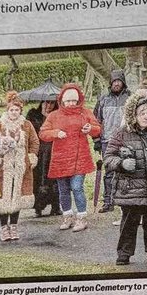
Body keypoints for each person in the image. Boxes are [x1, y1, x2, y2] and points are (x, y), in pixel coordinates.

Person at [103, 90, 147, 266]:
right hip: (130, 188)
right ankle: (124, 253)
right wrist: (121, 164)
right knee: (129, 222)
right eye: (142, 113)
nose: (146, 116)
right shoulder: (121, 133)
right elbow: (108, 157)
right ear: (133, 114)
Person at [39, 82, 100, 232]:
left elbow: (98, 130)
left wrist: (90, 129)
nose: (71, 103)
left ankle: (81, 218)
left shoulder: (85, 113)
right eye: (68, 101)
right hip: (61, 159)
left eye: (74, 100)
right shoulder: (54, 115)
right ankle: (67, 216)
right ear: (62, 101)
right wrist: (55, 133)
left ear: (79, 99)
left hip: (80, 157)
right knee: (63, 189)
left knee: (77, 187)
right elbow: (43, 133)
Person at [0, 91, 39, 242]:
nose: (14, 113)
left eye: (17, 110)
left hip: (21, 168)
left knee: (18, 196)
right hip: (3, 168)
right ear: (7, 111)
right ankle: (4, 228)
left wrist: (32, 156)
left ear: (20, 111)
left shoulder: (26, 125)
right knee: (2, 197)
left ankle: (14, 226)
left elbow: (34, 142)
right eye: (11, 110)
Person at [92, 69, 129, 215]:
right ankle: (108, 201)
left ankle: (124, 201)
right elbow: (96, 121)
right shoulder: (103, 100)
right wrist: (96, 139)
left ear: (123, 82)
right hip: (107, 140)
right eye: (114, 81)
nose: (117, 84)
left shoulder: (129, 98)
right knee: (109, 172)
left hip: (126, 140)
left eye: (119, 81)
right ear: (110, 83)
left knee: (126, 171)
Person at [26, 97, 60, 217]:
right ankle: (38, 207)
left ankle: (56, 206)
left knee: (54, 179)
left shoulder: (57, 115)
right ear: (42, 102)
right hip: (38, 151)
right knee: (37, 179)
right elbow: (29, 132)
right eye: (47, 102)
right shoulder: (33, 115)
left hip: (53, 150)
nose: (49, 105)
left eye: (52, 103)